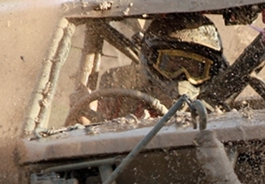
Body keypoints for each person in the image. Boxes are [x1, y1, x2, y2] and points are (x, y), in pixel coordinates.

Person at [96, 13, 229, 119]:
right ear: (150, 61)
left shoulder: (219, 116)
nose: (182, 79)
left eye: (194, 70)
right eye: (172, 66)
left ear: (210, 74)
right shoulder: (120, 98)